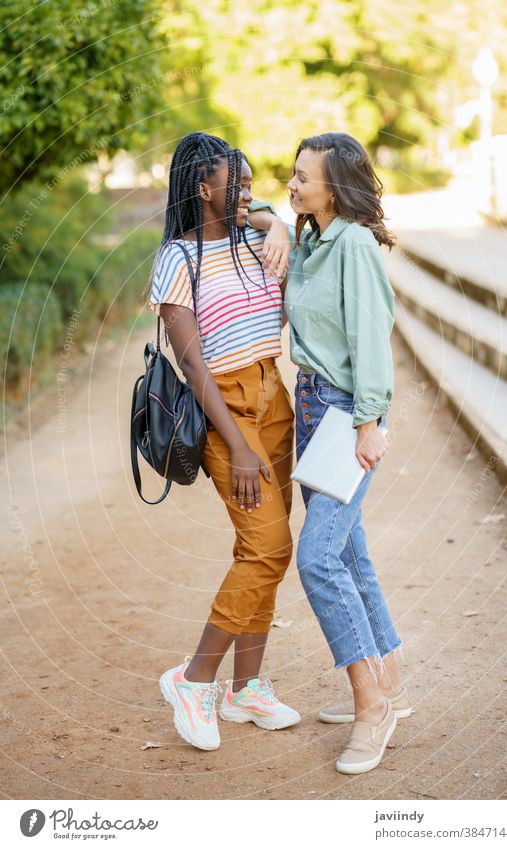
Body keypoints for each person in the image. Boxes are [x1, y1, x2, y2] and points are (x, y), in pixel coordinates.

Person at [247, 132, 413, 774]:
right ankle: (392, 682)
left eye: (302, 178)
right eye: (290, 176)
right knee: (346, 549)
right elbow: (251, 207)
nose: (292, 185)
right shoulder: (313, 237)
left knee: (317, 558)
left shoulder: (355, 245)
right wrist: (275, 221)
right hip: (312, 405)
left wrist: (371, 420)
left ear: (334, 186)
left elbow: (373, 335)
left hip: (346, 412)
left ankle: (372, 708)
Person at [146, 132, 299, 752]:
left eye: (250, 182)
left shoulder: (257, 238)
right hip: (225, 410)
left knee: (266, 549)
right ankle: (195, 678)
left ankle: (247, 689)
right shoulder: (176, 261)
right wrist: (236, 445)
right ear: (201, 189)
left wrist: (273, 219)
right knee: (267, 546)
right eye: (234, 184)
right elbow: (194, 368)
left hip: (275, 396)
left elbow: (270, 218)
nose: (248, 194)